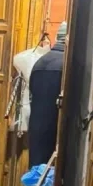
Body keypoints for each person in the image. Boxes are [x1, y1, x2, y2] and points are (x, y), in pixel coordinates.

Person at [28, 22, 66, 167]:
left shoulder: (40, 62)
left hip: (37, 129)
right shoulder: (68, 65)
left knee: (37, 177)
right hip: (56, 133)